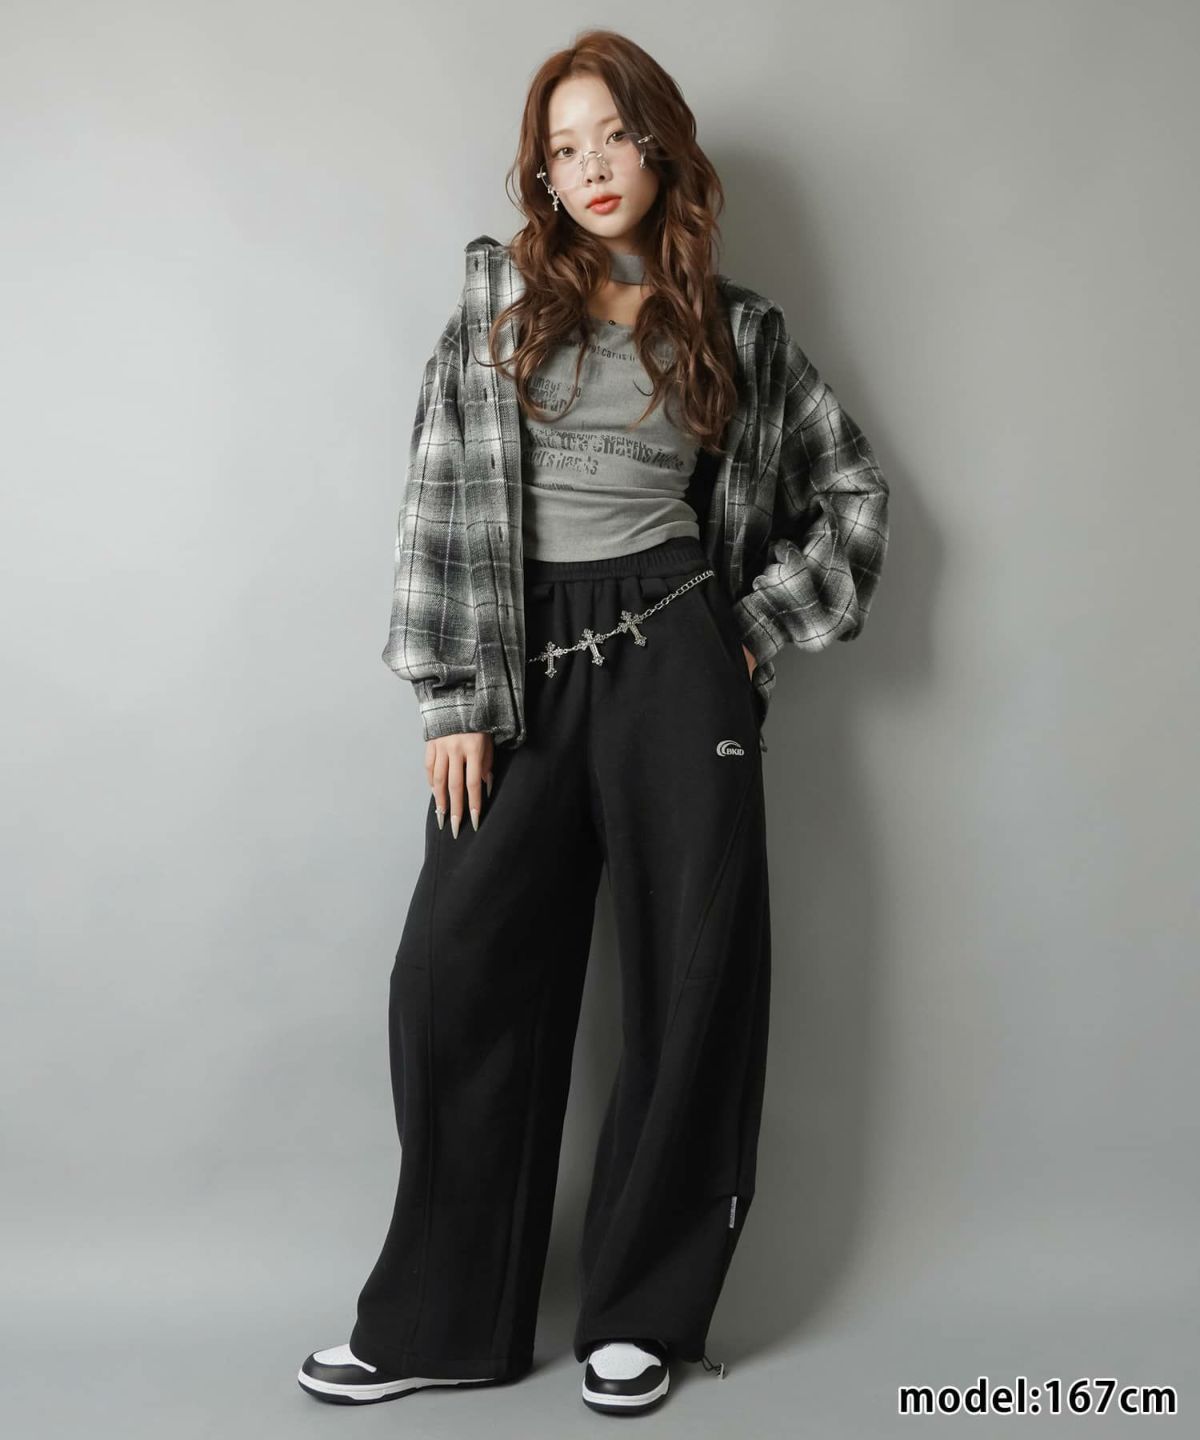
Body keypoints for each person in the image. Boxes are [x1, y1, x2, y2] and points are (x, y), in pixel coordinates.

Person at [297, 27, 890, 1418]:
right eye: (563, 150)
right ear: (543, 178)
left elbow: (852, 498)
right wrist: (457, 694)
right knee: (455, 975)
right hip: (521, 662)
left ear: (659, 144)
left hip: (678, 657)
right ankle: (441, 1321)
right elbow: (438, 494)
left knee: (693, 978)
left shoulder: (738, 330)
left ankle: (642, 1315)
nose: (591, 167)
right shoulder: (499, 307)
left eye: (611, 135)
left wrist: (750, 628)